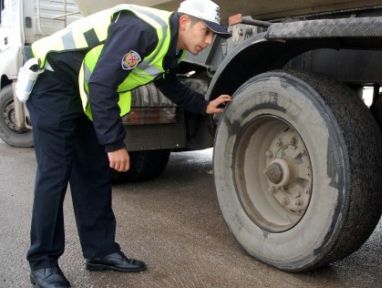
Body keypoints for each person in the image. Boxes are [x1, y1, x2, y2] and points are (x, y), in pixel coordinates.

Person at [24, 0, 231, 287]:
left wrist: (204, 105)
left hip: (84, 88)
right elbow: (102, 84)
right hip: (54, 82)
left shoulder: (170, 46)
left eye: (213, 36)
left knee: (94, 174)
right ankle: (42, 262)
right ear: (185, 22)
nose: (208, 41)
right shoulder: (143, 30)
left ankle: (100, 252)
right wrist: (113, 144)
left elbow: (167, 82)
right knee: (55, 173)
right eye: (205, 32)